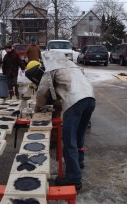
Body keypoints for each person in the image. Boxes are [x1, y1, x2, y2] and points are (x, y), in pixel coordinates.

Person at [30, 51, 94, 191]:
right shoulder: (72, 66)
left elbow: (42, 92)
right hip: (90, 99)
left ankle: (74, 178)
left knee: (69, 140)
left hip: (75, 102)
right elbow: (65, 88)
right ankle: (79, 160)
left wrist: (38, 109)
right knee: (79, 134)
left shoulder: (51, 68)